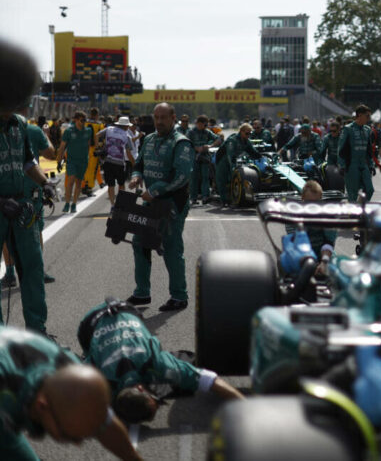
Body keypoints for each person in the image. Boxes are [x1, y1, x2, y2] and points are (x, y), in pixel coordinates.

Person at [78, 298, 244, 423]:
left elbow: (209, 379)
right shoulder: (96, 381)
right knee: (170, 383)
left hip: (102, 319)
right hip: (95, 322)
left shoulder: (157, 363)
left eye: (153, 399)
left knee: (174, 381)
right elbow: (209, 379)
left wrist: (248, 408)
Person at [0, 326, 141, 461]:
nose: (77, 444)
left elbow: (105, 423)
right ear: (41, 406)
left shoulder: (70, 369)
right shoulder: (5, 398)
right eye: (68, 435)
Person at [0, 40, 58, 334]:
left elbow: (27, 162)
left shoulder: (21, 125)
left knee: (33, 268)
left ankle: (38, 332)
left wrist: (45, 183)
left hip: (21, 206)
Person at [127, 103, 194, 311]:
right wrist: (136, 176)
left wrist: (155, 189)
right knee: (140, 243)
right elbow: (139, 164)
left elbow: (181, 176)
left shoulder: (181, 143)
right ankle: (142, 293)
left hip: (173, 203)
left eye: (163, 117)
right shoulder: (148, 139)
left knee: (171, 248)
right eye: (156, 117)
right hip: (151, 202)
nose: (159, 121)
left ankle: (179, 296)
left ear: (173, 118)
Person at [1, 114, 57, 287]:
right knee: (35, 230)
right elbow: (50, 154)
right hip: (32, 189)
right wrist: (46, 134)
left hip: (8, 191)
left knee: (7, 233)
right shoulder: (33, 129)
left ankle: (10, 273)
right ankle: (38, 270)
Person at [285, 181, 336, 276]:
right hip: (299, 252)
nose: (312, 206)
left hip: (323, 253)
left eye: (316, 202)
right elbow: (295, 241)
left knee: (337, 266)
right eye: (309, 202)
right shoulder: (293, 216)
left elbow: (329, 242)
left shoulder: (328, 216)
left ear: (321, 199)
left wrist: (324, 262)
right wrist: (309, 264)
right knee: (286, 264)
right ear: (302, 198)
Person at [56, 111, 93, 213]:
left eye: (85, 120)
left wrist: (87, 157)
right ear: (76, 120)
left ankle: (74, 204)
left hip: (83, 161)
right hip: (72, 161)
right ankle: (67, 203)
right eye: (82, 120)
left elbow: (88, 145)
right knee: (71, 181)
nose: (83, 122)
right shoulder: (69, 131)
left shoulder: (88, 131)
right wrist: (59, 161)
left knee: (79, 183)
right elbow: (62, 147)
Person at [219, 123, 263, 205]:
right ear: (241, 131)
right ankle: (224, 201)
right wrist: (233, 169)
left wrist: (261, 157)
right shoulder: (232, 140)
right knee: (224, 180)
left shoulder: (247, 141)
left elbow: (253, 152)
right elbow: (230, 155)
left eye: (250, 133)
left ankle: (231, 198)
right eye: (247, 133)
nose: (248, 135)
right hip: (223, 161)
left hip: (234, 159)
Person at [338, 105, 375, 202]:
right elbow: (341, 149)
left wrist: (371, 164)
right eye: (367, 116)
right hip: (351, 165)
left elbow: (369, 150)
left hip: (364, 164)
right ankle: (354, 210)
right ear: (360, 115)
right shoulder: (348, 129)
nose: (369, 118)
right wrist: (342, 165)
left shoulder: (367, 129)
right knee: (352, 194)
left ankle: (360, 207)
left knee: (369, 190)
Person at [98, 116, 135, 207]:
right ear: (126, 126)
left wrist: (97, 148)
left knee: (111, 185)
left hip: (108, 162)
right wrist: (135, 164)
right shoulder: (127, 136)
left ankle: (112, 205)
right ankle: (120, 204)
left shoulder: (109, 129)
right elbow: (128, 153)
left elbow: (96, 135)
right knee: (121, 184)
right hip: (119, 163)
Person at [187, 115, 221, 204]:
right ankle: (193, 198)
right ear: (199, 123)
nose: (206, 126)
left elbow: (218, 139)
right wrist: (196, 148)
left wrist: (210, 146)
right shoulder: (191, 132)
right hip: (194, 157)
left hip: (205, 157)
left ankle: (205, 196)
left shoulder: (207, 132)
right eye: (204, 124)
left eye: (206, 124)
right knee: (194, 178)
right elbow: (186, 143)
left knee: (205, 177)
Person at [82, 108, 106, 196]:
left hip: (84, 149)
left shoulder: (84, 123)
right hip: (94, 150)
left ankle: (83, 185)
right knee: (92, 169)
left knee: (85, 168)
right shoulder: (99, 125)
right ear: (97, 115)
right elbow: (102, 138)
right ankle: (88, 188)